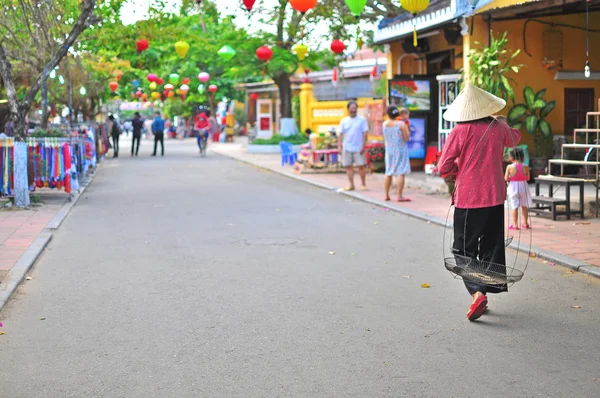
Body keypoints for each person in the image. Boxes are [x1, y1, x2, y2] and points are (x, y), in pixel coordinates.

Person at [437, 84, 521, 322]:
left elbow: (443, 166)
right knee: (491, 247)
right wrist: (502, 122)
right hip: (495, 197)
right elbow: (515, 137)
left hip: (469, 199)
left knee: (462, 250)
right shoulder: (498, 128)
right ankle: (482, 292)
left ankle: (477, 293)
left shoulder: (460, 131)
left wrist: (458, 169)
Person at [338, 100, 369, 191]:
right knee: (348, 166)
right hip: (347, 147)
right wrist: (339, 145)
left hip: (358, 147)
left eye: (354, 108)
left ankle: (363, 184)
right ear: (348, 109)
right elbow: (340, 133)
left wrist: (363, 145)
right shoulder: (344, 121)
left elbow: (365, 133)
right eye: (351, 108)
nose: (353, 110)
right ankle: (351, 184)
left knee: (361, 166)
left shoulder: (362, 120)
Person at [383, 105, 411, 202]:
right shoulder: (401, 124)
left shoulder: (384, 124)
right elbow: (406, 137)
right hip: (400, 150)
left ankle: (386, 195)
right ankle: (399, 195)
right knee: (400, 172)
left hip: (389, 150)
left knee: (388, 172)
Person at [505, 147, 532, 230]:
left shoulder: (509, 167)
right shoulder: (526, 166)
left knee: (514, 206)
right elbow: (528, 178)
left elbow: (506, 178)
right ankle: (525, 223)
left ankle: (515, 225)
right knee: (524, 205)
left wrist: (510, 177)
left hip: (513, 187)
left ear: (512, 157)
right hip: (524, 186)